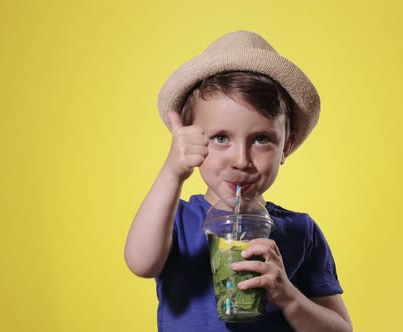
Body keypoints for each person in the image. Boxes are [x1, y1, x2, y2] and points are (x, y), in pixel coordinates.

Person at [124, 30, 352, 332]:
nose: (241, 159)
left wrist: (289, 297)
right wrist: (172, 170)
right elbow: (140, 263)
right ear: (191, 139)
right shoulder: (174, 220)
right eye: (221, 138)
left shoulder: (301, 232)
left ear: (287, 145)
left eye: (261, 139)